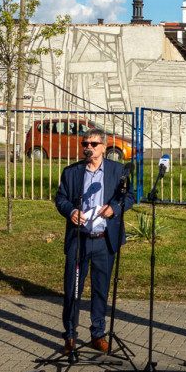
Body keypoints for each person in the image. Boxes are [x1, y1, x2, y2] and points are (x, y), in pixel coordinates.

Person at [54, 128, 135, 354]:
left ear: (104, 147)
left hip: (103, 239)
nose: (88, 148)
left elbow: (129, 196)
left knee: (100, 290)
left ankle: (98, 334)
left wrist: (115, 208)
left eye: (93, 144)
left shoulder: (118, 170)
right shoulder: (72, 172)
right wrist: (70, 210)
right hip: (79, 239)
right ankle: (69, 335)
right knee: (72, 289)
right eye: (85, 144)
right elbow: (60, 198)